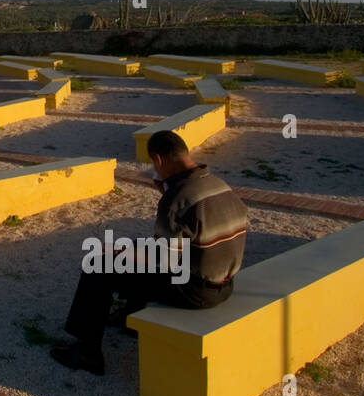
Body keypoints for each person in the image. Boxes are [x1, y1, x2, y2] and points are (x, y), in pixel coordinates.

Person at [50, 130, 248, 376]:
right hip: (225, 285)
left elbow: (162, 261)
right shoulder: (220, 185)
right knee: (134, 254)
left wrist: (120, 252)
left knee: (97, 266)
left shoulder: (176, 198)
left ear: (159, 159)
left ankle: (88, 352)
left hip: (195, 291)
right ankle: (131, 319)